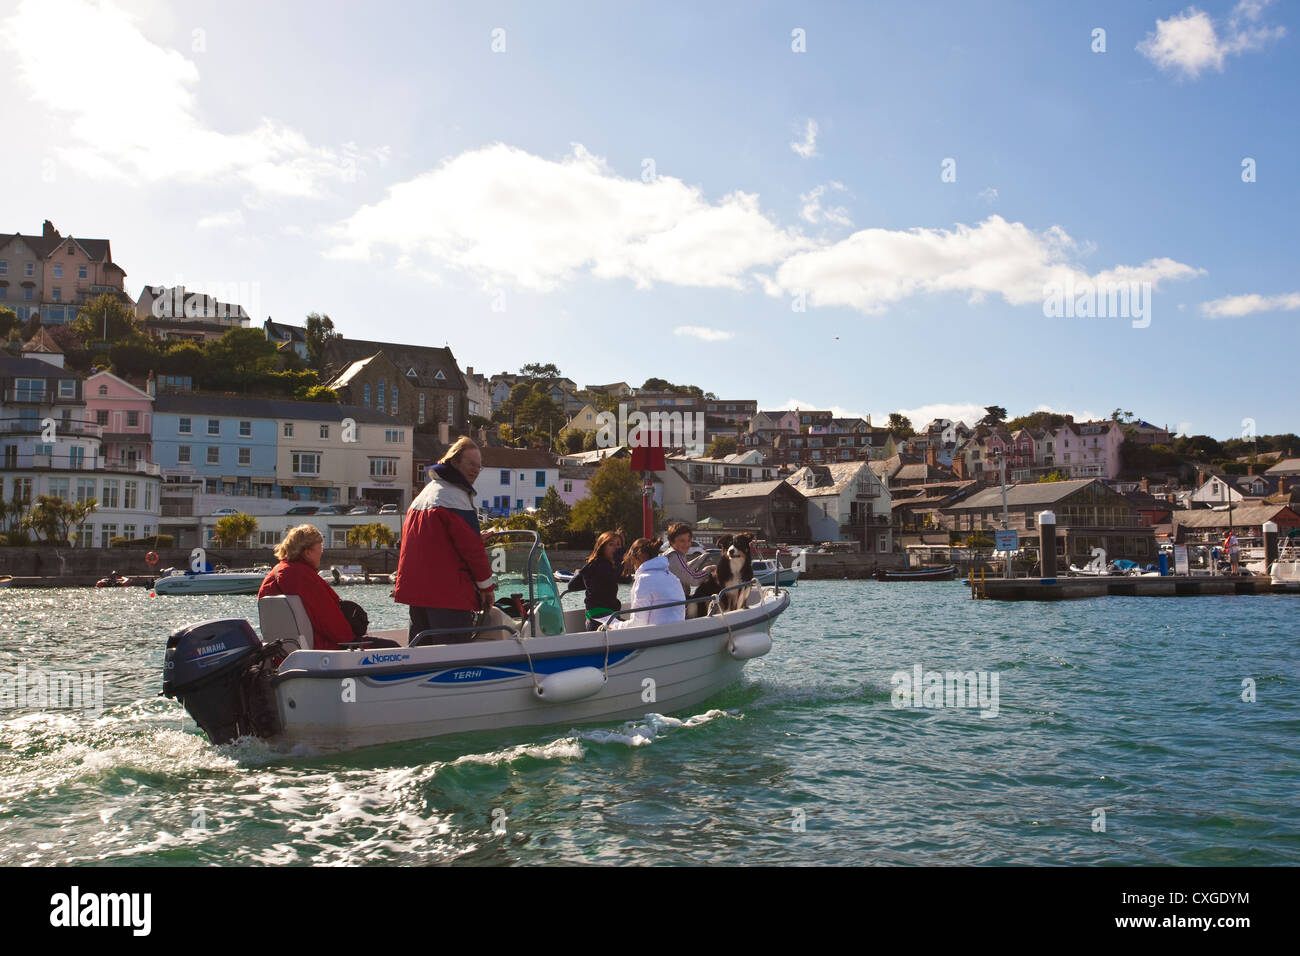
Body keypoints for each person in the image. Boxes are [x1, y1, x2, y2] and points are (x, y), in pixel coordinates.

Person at [394, 436, 495, 644]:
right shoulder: (454, 497)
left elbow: (433, 542)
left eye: (479, 466)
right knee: (452, 660)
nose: (475, 470)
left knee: (421, 657)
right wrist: (486, 588)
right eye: (471, 464)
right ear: (454, 462)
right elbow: (472, 552)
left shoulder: (425, 495)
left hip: (418, 594)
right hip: (448, 597)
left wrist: (475, 539)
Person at [258, 525, 396, 651]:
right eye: (320, 548)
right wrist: (352, 640)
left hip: (281, 654)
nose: (322, 552)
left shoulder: (274, 574)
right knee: (392, 648)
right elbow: (328, 617)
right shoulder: (302, 576)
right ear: (307, 552)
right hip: (320, 651)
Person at [609, 537, 685, 629]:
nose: (634, 566)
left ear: (637, 558)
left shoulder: (644, 580)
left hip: (656, 635)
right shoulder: (672, 577)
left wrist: (614, 626)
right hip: (676, 631)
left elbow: (638, 623)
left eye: (633, 562)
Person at [570, 531, 623, 630]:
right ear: (602, 547)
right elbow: (614, 576)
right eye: (611, 544)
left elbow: (572, 585)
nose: (616, 548)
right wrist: (580, 573)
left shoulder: (595, 565)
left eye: (618, 545)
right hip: (599, 617)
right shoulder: (599, 565)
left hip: (607, 615)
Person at [661, 522, 713, 597]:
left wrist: (703, 558)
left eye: (689, 540)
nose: (686, 544)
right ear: (672, 542)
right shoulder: (675, 557)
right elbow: (693, 579)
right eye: (682, 541)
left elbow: (685, 569)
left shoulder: (670, 554)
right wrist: (709, 569)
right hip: (676, 602)